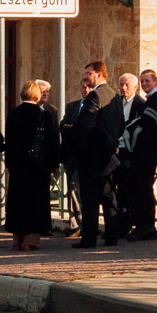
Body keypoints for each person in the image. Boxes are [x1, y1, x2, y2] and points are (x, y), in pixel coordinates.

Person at [71, 60, 121, 248]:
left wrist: (81, 147)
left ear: (99, 74)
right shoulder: (115, 96)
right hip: (109, 155)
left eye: (89, 73)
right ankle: (112, 237)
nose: (85, 77)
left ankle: (89, 239)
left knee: (90, 200)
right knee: (108, 198)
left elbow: (87, 126)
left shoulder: (95, 96)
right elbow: (120, 124)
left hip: (92, 157)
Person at [4, 80, 59, 250]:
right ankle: (31, 240)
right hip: (38, 167)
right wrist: (54, 165)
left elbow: (10, 141)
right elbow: (52, 143)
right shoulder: (45, 115)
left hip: (18, 167)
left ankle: (16, 239)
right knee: (35, 203)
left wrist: (9, 163)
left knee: (18, 202)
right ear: (36, 94)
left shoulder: (13, 113)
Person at [127, 69, 157, 241]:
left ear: (155, 82)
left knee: (143, 189)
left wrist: (128, 125)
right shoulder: (152, 99)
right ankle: (144, 225)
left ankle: (145, 227)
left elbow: (146, 122)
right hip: (149, 151)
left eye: (147, 81)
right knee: (141, 187)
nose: (145, 84)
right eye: (142, 81)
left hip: (149, 152)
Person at [112, 72, 145, 238]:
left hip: (130, 153)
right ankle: (118, 226)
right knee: (115, 189)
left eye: (127, 85)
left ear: (135, 87)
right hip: (116, 151)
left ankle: (130, 223)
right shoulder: (116, 101)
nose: (124, 88)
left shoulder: (140, 103)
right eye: (121, 85)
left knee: (129, 189)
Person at [58, 78, 91, 236]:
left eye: (89, 87)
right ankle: (75, 225)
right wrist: (75, 129)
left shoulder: (96, 106)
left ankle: (86, 225)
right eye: (84, 87)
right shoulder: (72, 107)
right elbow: (63, 126)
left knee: (85, 191)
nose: (86, 90)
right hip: (72, 156)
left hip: (88, 155)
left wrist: (74, 129)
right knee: (73, 189)